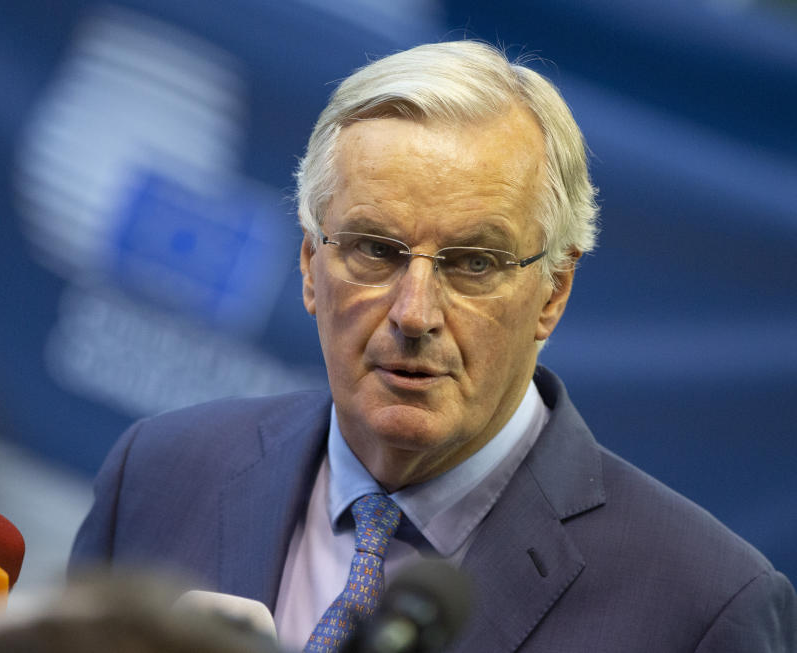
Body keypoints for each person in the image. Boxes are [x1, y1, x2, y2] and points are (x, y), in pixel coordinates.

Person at [70, 41, 796, 651]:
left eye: (473, 262)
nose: (413, 312)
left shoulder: (702, 607)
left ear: (552, 291)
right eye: (374, 250)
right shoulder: (158, 475)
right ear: (308, 268)